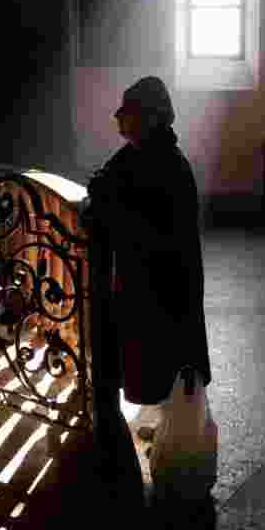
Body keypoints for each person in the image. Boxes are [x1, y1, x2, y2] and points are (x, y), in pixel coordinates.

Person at [81, 76, 215, 506]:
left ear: (152, 117)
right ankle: (161, 434)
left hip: (164, 291)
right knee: (150, 365)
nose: (119, 117)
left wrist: (107, 202)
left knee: (165, 364)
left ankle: (170, 458)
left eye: (128, 110)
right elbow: (110, 184)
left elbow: (149, 229)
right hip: (143, 287)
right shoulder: (139, 154)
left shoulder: (167, 165)